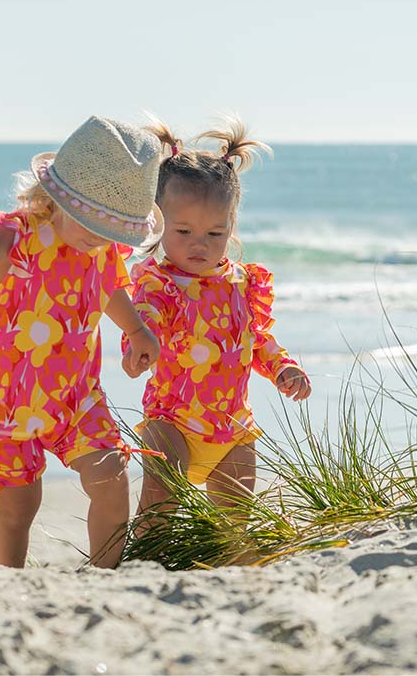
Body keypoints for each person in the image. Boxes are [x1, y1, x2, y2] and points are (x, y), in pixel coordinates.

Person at [0, 116, 163, 568]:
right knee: (17, 505)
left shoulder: (99, 251)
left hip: (77, 396)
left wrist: (137, 329)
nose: (100, 238)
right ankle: (9, 581)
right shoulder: (18, 234)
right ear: (58, 197)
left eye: (113, 231)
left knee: (111, 477)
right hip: (11, 400)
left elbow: (110, 290)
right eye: (91, 223)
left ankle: (104, 574)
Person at [123, 116, 311, 525]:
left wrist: (283, 367)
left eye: (214, 234)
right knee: (159, 503)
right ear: (156, 224)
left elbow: (256, 337)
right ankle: (145, 562)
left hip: (234, 427)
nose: (198, 244)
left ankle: (225, 567)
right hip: (171, 420)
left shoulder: (243, 283)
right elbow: (143, 319)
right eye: (184, 230)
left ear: (231, 227)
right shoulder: (160, 283)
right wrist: (139, 345)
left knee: (235, 519)